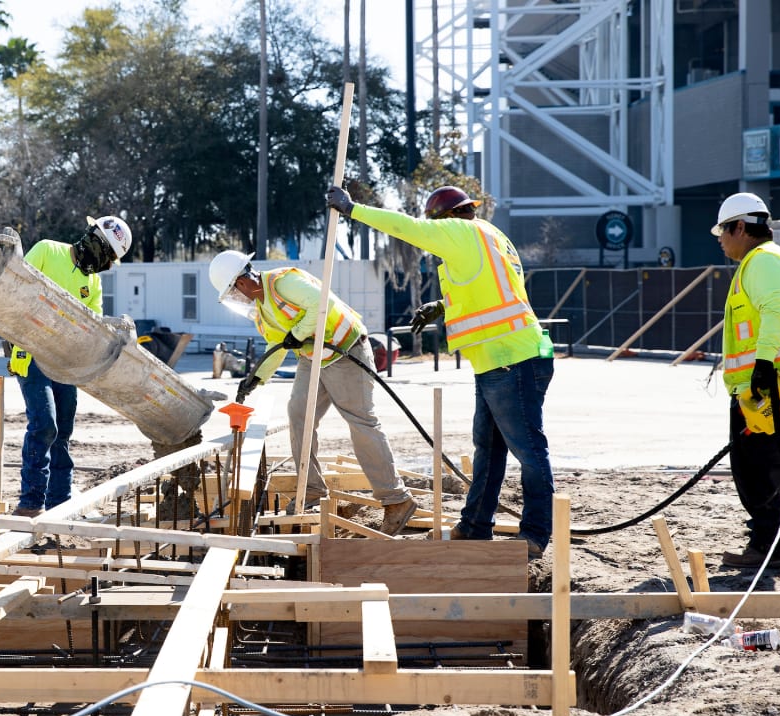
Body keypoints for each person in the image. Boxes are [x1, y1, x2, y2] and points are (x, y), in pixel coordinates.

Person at [326, 184, 553, 560]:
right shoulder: (491, 236)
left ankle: (534, 534)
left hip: (511, 358)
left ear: (446, 219)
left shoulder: (460, 232)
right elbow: (485, 290)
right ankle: (475, 525)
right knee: (490, 449)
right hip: (502, 358)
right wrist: (441, 305)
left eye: (436, 227)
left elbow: (408, 228)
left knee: (529, 451)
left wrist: (353, 210)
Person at [207, 250, 419, 535]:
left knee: (361, 422)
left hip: (345, 351)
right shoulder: (261, 310)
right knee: (298, 415)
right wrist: (256, 377)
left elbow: (324, 303)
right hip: (313, 358)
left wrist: (299, 330)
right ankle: (312, 489)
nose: (237, 299)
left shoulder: (282, 283)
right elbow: (276, 345)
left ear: (241, 283)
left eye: (233, 293)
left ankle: (397, 500)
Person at [712, 192, 780, 569]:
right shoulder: (762, 262)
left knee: (762, 469)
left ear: (740, 227)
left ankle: (771, 546)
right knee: (779, 468)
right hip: (777, 389)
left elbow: (777, 310)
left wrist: (762, 363)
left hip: (777, 390)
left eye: (723, 232)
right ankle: (779, 544)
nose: (721, 240)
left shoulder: (765, 262)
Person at [8, 216, 132, 517]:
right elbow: (15, 288)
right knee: (44, 425)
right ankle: (31, 503)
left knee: (62, 431)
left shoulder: (93, 282)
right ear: (93, 241)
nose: (105, 265)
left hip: (66, 363)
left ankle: (59, 503)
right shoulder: (48, 251)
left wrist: (117, 332)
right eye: (107, 256)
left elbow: (94, 326)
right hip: (32, 354)